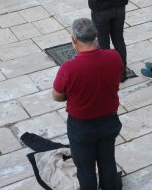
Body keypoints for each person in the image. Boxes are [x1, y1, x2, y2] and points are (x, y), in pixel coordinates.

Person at [52, 18, 123, 190]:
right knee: (107, 162)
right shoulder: (113, 56)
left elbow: (57, 96)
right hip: (109, 121)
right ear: (96, 35)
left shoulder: (69, 68)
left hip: (82, 127)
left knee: (85, 169)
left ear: (74, 40)